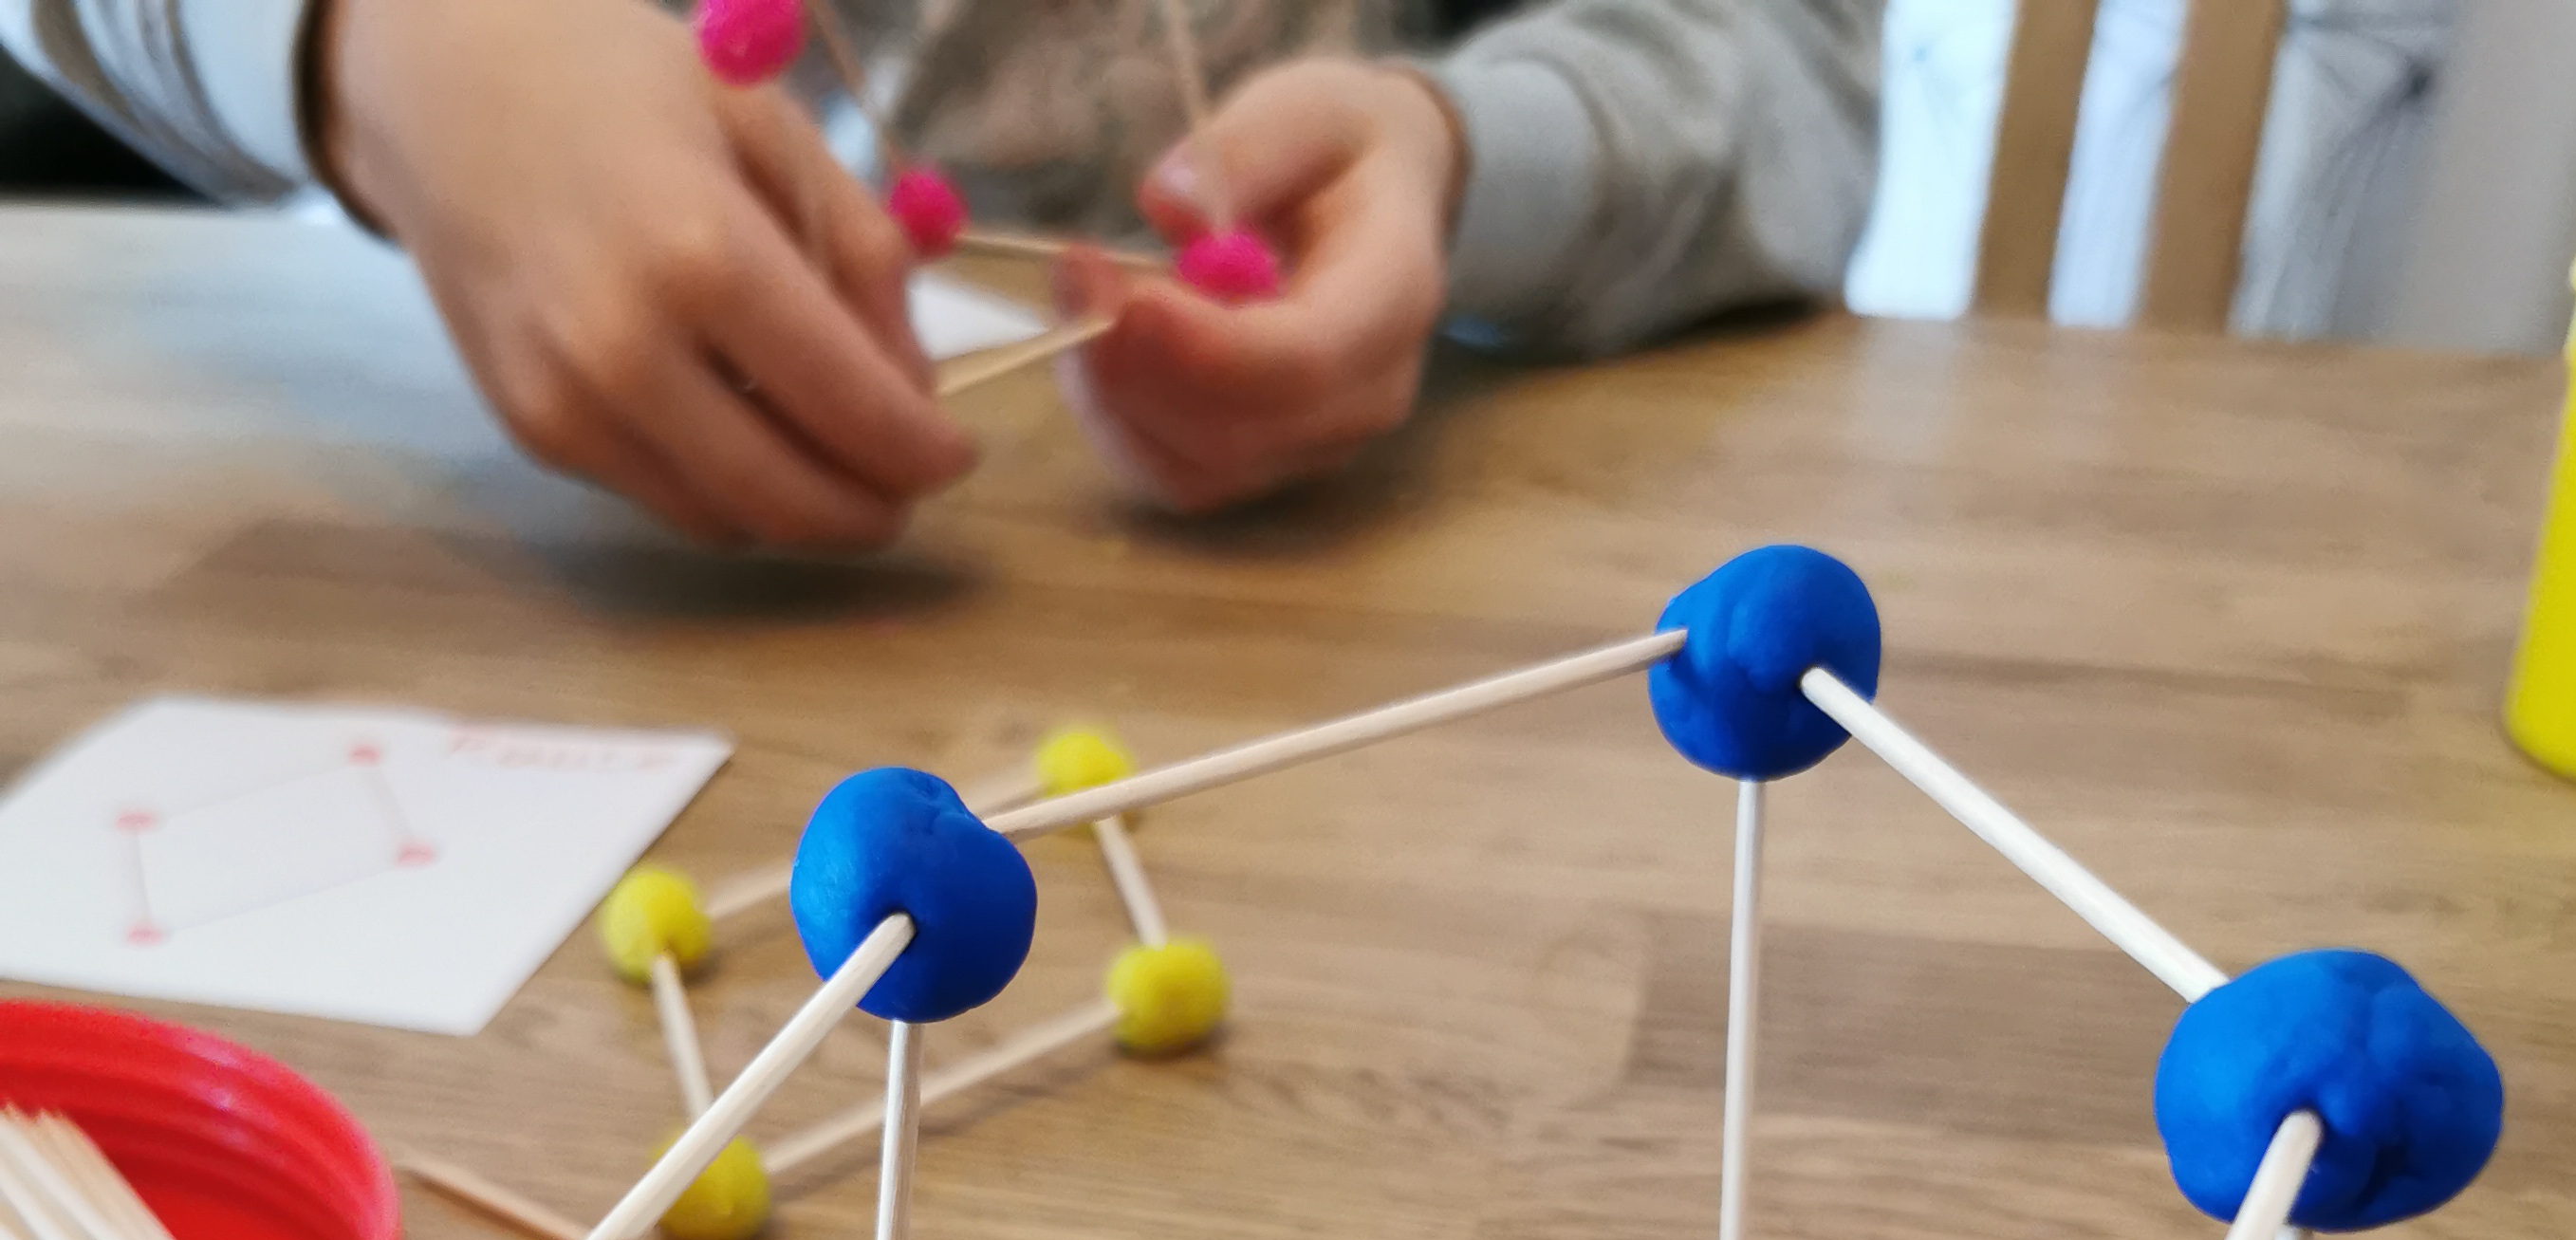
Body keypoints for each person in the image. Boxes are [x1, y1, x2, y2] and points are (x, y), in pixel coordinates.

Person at [0, 0, 1879, 545]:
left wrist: (1462, 155)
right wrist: (369, 42)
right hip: (559, 574)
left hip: (1394, 558)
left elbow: (1788, 60)